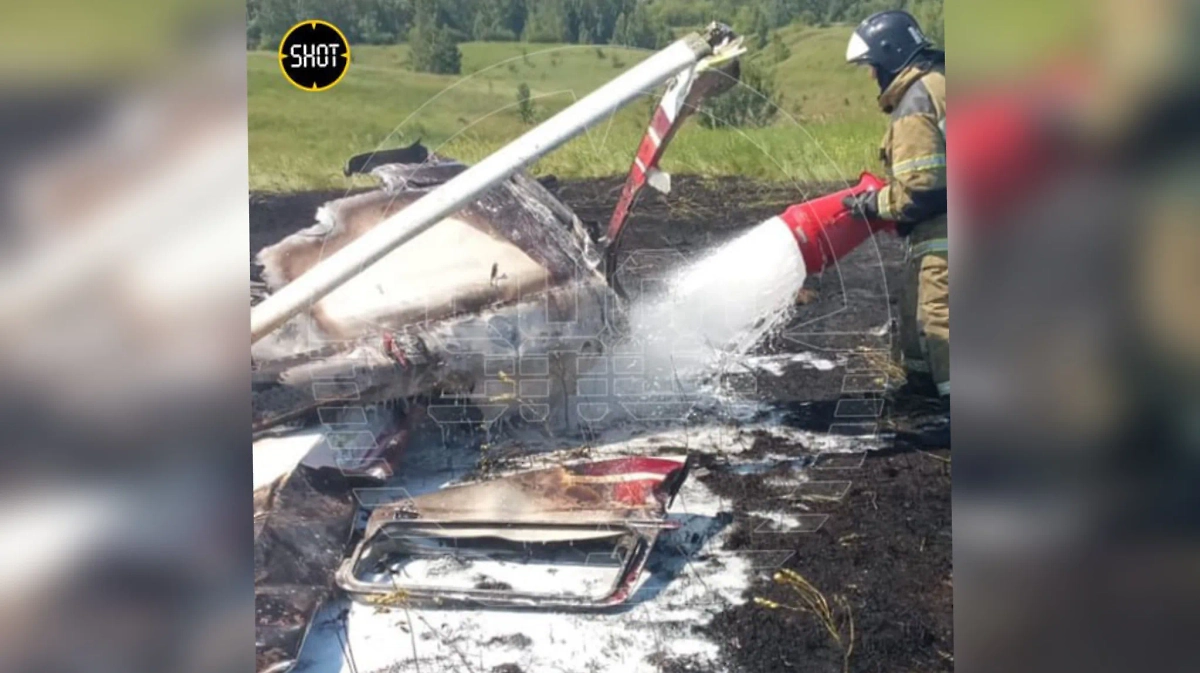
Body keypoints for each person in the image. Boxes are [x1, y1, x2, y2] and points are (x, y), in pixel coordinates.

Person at [842, 10, 948, 398]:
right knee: (915, 308)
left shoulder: (915, 101)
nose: (872, 76)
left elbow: (922, 189)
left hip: (946, 230)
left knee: (939, 317)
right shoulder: (939, 83)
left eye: (872, 66)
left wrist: (872, 204)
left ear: (889, 57)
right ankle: (923, 392)